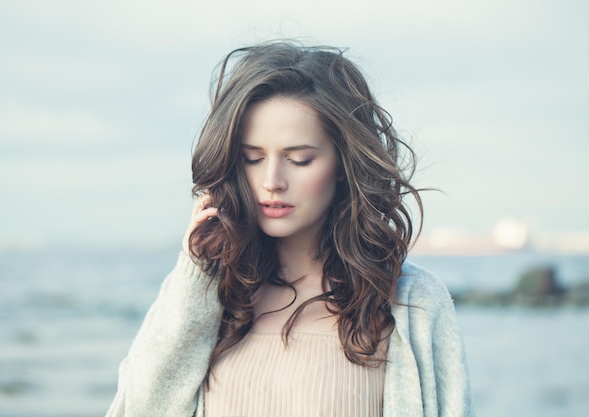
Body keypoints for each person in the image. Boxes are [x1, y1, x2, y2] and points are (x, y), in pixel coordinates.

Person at [106, 41, 474, 417]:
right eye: (252, 158)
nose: (272, 181)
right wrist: (195, 273)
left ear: (344, 165)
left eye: (299, 160)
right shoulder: (211, 295)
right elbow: (140, 407)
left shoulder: (412, 303)